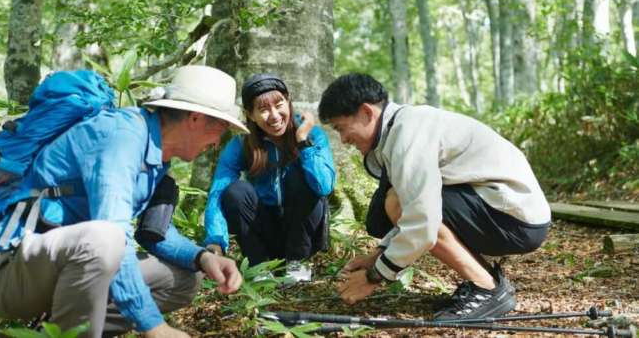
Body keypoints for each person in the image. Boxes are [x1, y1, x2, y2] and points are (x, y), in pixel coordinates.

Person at [0, 65, 246, 338]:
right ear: (195, 119)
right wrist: (154, 327)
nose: (217, 143)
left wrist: (203, 258)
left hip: (67, 268)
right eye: (220, 130)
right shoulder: (121, 137)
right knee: (106, 238)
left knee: (182, 280)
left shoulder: (155, 157)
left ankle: (54, 332)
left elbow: (156, 233)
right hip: (14, 272)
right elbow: (112, 235)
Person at [318, 73, 551, 320]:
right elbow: (416, 209)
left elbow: (421, 223)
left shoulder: (408, 134)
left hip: (516, 218)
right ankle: (484, 281)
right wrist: (376, 257)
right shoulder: (403, 126)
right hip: (504, 210)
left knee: (396, 203)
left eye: (341, 128)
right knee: (399, 200)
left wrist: (373, 276)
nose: (343, 140)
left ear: (366, 112)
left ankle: (487, 288)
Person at [204, 73, 335, 282]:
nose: (274, 116)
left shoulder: (312, 134)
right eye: (263, 109)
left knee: (302, 178)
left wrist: (302, 141)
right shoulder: (241, 144)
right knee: (235, 191)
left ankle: (297, 264)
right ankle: (260, 268)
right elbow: (218, 192)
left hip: (302, 232)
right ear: (250, 114)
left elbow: (324, 186)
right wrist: (216, 240)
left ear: (288, 102)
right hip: (266, 230)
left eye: (279, 104)